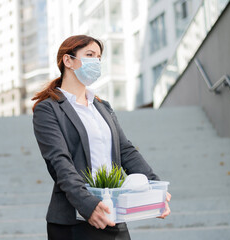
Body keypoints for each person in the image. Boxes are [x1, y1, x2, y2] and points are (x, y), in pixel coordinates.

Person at [32, 35, 171, 240]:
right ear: (67, 60)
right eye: (89, 55)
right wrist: (88, 205)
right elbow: (59, 162)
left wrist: (154, 187)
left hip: (112, 212)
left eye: (98, 57)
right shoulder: (48, 109)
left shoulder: (102, 106)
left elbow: (125, 150)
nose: (96, 62)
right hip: (76, 221)